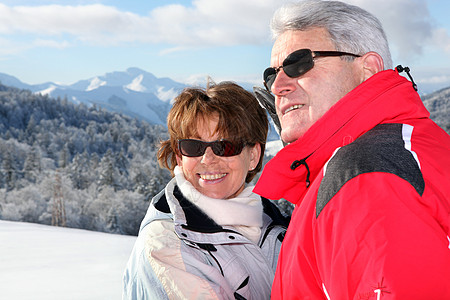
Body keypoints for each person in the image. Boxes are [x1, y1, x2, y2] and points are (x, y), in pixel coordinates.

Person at [253, 0, 450, 298]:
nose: (278, 85)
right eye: (272, 74)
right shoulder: (406, 146)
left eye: (299, 63)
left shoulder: (365, 175)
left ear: (368, 69)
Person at [122, 81, 289, 299]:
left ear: (253, 156)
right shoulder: (166, 244)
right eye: (193, 146)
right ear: (180, 157)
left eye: (225, 146)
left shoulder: (273, 223)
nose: (207, 159)